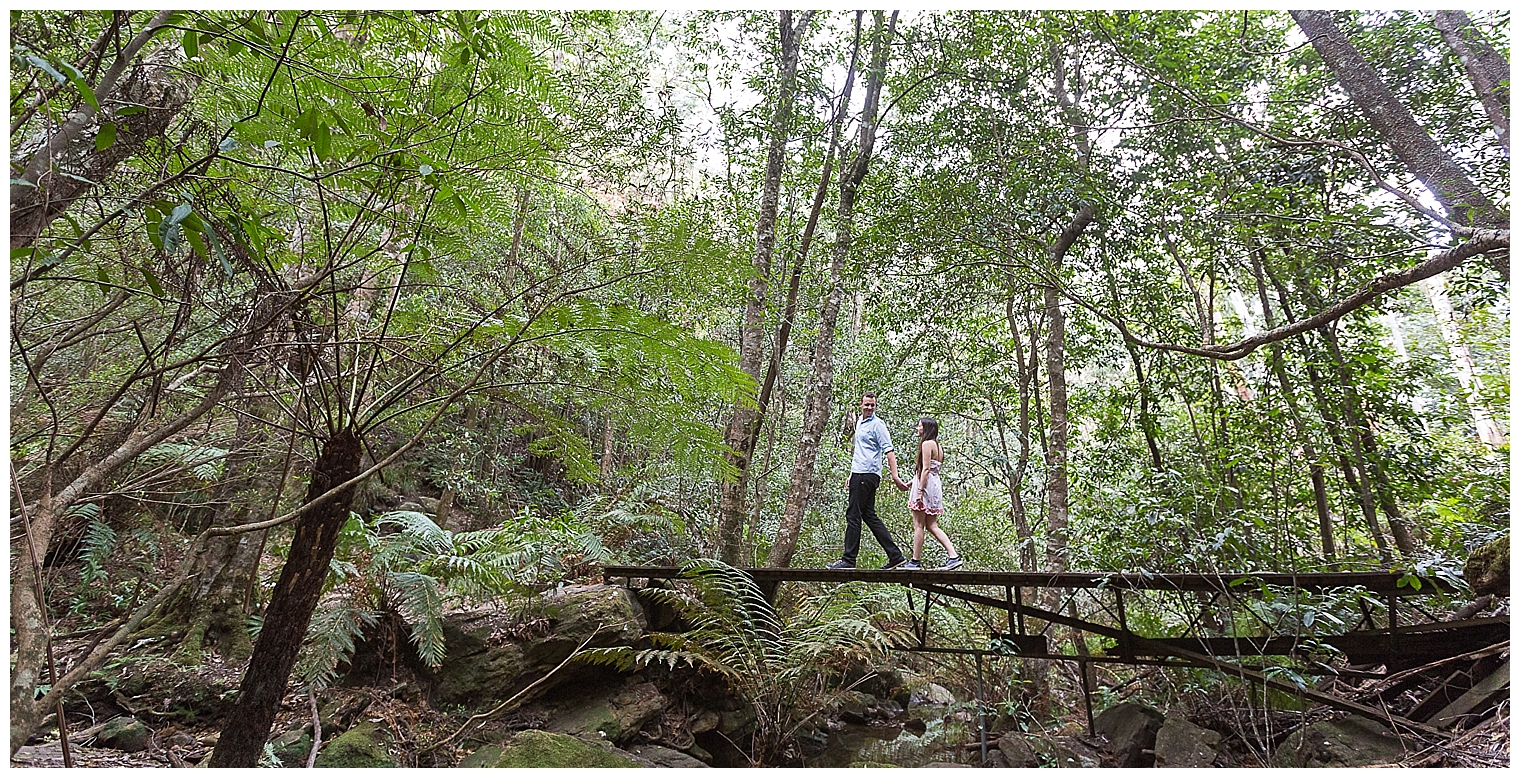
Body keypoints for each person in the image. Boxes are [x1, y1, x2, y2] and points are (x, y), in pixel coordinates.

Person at [826, 392, 910, 570]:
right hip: (858, 473)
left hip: (867, 475)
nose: (870, 408)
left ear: (875, 406)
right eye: (867, 405)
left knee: (853, 515)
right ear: (861, 404)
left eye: (873, 405)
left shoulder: (877, 425)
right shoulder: (859, 423)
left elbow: (889, 451)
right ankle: (895, 556)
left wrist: (895, 477)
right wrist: (851, 474)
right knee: (868, 515)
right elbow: (860, 451)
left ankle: (849, 560)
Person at [901, 417, 962, 570]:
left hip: (926, 486)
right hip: (934, 485)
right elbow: (931, 469)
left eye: (920, 426)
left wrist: (919, 491)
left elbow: (926, 469)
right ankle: (953, 555)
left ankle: (915, 561)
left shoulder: (927, 444)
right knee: (931, 525)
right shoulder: (938, 446)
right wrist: (912, 482)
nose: (917, 428)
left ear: (926, 428)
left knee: (919, 524)